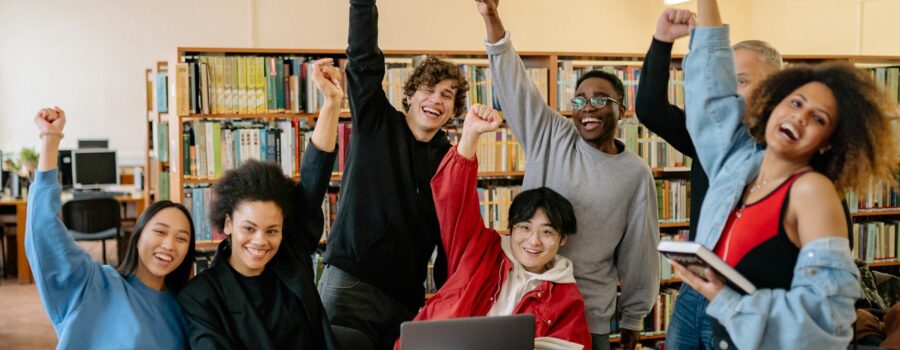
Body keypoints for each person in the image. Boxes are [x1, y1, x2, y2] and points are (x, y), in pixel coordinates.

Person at [669, 0, 899, 348]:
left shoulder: (812, 191)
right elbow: (710, 90)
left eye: (819, 119)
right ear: (773, 102)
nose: (799, 117)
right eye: (795, 102)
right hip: (715, 326)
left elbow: (829, 315)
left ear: (828, 143)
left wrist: (727, 299)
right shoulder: (739, 161)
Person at [475, 1, 660, 349]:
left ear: (622, 108)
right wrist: (491, 17)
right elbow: (514, 85)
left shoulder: (635, 174)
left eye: (600, 99)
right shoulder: (552, 134)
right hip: (525, 302)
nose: (587, 107)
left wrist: (634, 318)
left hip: (588, 315)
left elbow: (640, 250)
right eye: (579, 100)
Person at [177, 58, 367, 349]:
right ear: (227, 223)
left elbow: (314, 180)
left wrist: (331, 104)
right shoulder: (201, 296)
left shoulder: (289, 256)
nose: (260, 241)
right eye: (249, 228)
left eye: (272, 230)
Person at [318, 0, 471, 348]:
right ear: (411, 95)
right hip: (350, 284)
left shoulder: (452, 160)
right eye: (428, 90)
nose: (436, 100)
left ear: (453, 110)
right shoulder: (376, 121)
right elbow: (363, 60)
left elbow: (452, 236)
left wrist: (451, 299)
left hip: (405, 300)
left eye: (447, 95)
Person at [633, 9, 783, 349]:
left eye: (742, 81)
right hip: (694, 291)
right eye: (724, 81)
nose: (728, 92)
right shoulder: (711, 140)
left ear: (776, 87)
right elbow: (650, 110)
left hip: (746, 297)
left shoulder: (791, 154)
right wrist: (662, 41)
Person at [396, 104, 591, 349]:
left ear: (563, 239)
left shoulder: (566, 298)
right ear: (510, 228)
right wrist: (470, 135)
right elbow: (454, 200)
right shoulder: (479, 250)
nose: (534, 241)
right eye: (525, 228)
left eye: (547, 232)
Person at [26, 106, 196, 348]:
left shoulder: (184, 310)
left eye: (182, 238)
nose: (169, 244)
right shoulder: (93, 285)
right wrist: (50, 139)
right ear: (137, 236)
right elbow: (43, 229)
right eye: (159, 231)